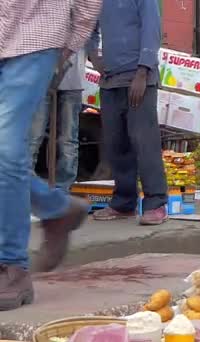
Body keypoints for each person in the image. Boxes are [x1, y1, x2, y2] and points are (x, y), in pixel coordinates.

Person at [0, 0, 101, 310]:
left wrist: (71, 42)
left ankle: (12, 266)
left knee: (5, 146)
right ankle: (57, 209)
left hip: (35, 35)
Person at [88, 0, 169, 224]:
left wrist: (143, 71)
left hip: (139, 78)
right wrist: (93, 55)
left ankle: (156, 203)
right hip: (110, 80)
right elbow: (88, 26)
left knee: (144, 141)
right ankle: (124, 203)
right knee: (116, 143)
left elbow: (152, 28)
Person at [30, 48, 86, 192]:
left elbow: (91, 35)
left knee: (68, 139)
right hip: (42, 78)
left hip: (72, 80)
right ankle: (26, 187)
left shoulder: (82, 26)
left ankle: (62, 190)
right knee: (33, 137)